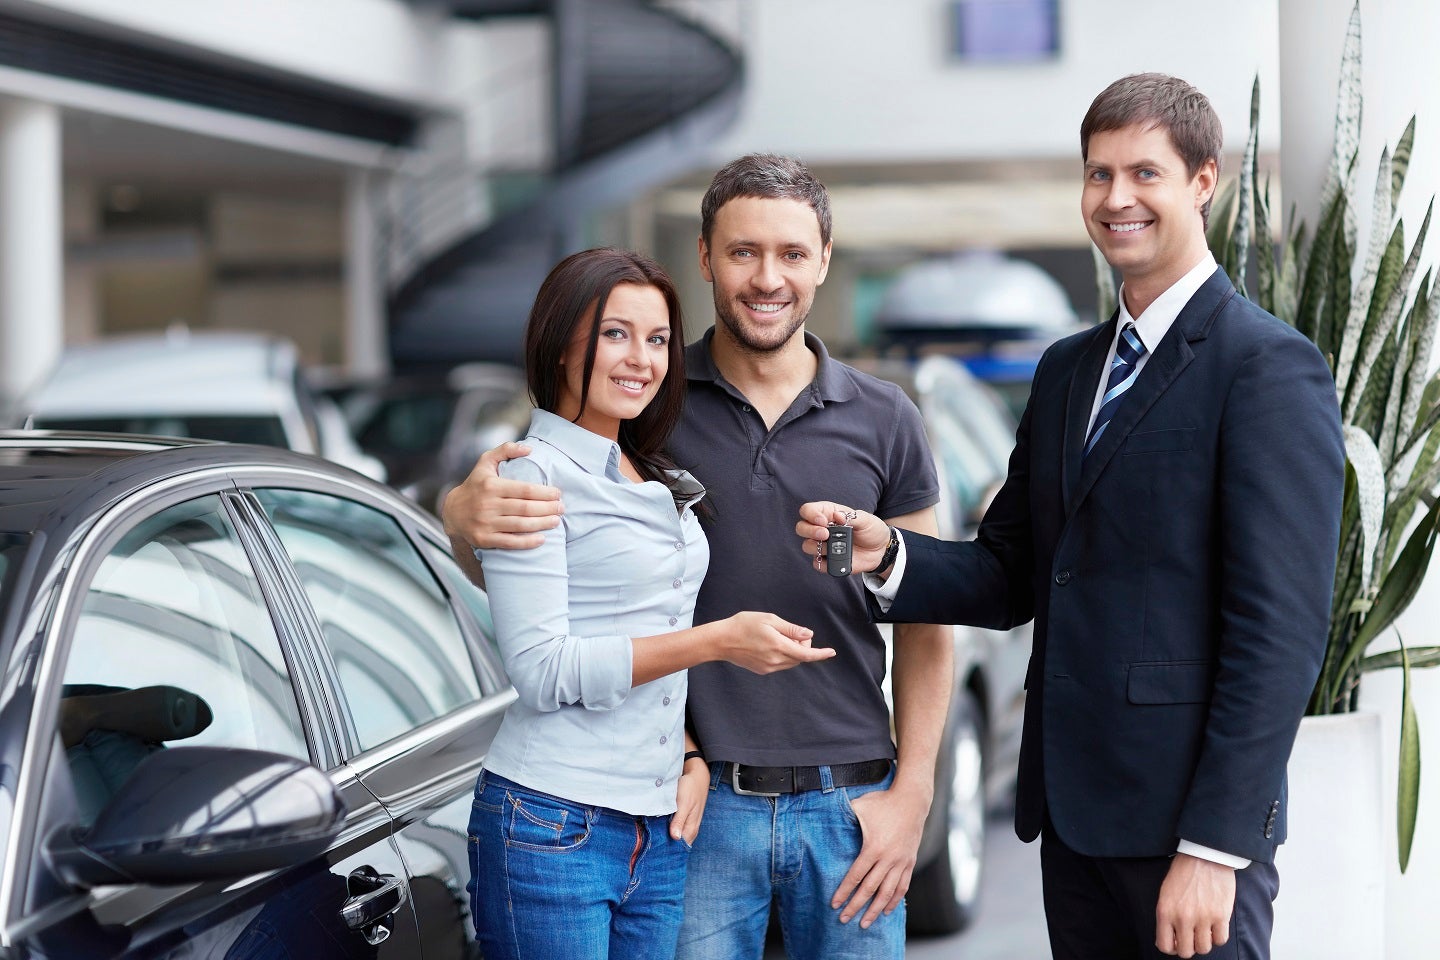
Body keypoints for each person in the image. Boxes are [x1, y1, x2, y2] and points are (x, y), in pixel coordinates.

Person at [796, 74, 1345, 960]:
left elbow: (1280, 632)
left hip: (1186, 836)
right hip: (1074, 824)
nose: (1117, 197)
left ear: (1204, 181)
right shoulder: (1066, 370)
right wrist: (891, 553)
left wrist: (1216, 847)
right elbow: (1012, 570)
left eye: (1145, 173)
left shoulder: (1266, 367)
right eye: (1098, 174)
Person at [445, 156, 952, 960]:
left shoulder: (887, 416)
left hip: (853, 805)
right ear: (707, 257)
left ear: (824, 259)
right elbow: (545, 565)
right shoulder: (649, 398)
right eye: (744, 251)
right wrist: (459, 516)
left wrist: (914, 795)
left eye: (792, 253)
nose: (768, 278)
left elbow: (930, 614)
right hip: (699, 807)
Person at [462, 247, 834, 960]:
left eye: (658, 339)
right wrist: (719, 642)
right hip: (551, 822)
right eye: (615, 334)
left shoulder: (643, 466)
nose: (642, 359)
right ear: (561, 344)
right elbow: (542, 670)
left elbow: (649, 619)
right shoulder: (531, 477)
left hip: (657, 824)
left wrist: (687, 752)